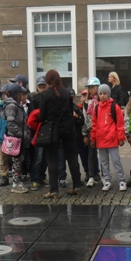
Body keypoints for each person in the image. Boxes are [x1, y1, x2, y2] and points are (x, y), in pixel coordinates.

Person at [39, 69, 83, 198]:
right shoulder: (66, 93)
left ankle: (54, 190)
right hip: (68, 128)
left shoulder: (44, 95)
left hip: (52, 130)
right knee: (72, 157)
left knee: (52, 159)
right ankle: (77, 186)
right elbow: (70, 110)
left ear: (47, 81)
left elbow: (42, 116)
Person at [91, 84, 126, 192]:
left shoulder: (114, 106)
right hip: (101, 139)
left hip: (112, 139)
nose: (102, 96)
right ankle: (107, 180)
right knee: (104, 162)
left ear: (108, 94)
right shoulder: (97, 108)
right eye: (100, 93)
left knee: (116, 160)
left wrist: (121, 138)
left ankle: (121, 180)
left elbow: (120, 123)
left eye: (104, 93)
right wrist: (93, 138)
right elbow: (94, 124)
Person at [2, 84, 30, 194]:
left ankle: (17, 182)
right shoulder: (11, 106)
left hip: (20, 138)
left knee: (19, 161)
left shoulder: (17, 105)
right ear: (17, 95)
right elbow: (11, 124)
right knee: (16, 162)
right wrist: (21, 134)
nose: (23, 96)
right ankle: (15, 183)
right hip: (15, 138)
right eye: (21, 94)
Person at [84, 77, 102, 187]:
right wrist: (85, 133)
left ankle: (104, 175)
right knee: (91, 154)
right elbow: (85, 118)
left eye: (92, 87)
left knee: (104, 154)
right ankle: (91, 175)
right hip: (91, 130)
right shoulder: (87, 102)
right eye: (89, 87)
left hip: (102, 130)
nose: (90, 89)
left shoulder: (101, 100)